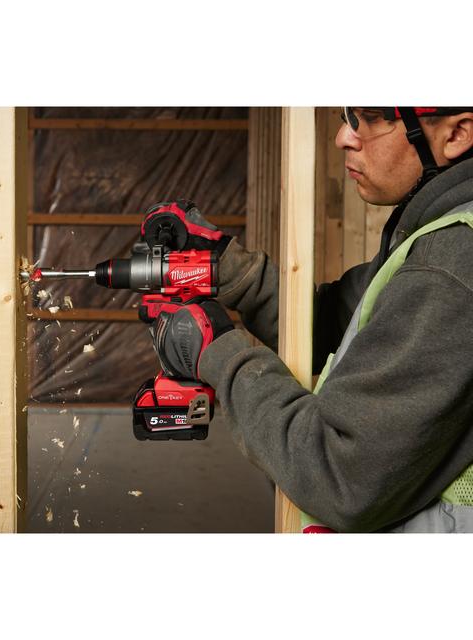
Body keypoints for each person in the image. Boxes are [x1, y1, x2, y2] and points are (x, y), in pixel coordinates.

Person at [147, 107, 473, 532]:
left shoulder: (448, 265)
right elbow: (339, 324)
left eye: (372, 118)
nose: (343, 137)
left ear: (457, 134)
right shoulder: (438, 232)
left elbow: (340, 476)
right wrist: (229, 269)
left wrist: (217, 351)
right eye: (347, 115)